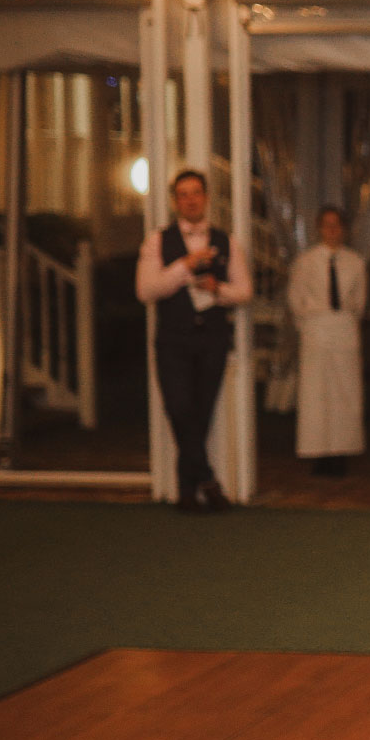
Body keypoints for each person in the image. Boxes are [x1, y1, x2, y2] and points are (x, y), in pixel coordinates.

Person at [135, 168, 252, 512]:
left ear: (206, 197)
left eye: (196, 192)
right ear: (175, 201)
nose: (190, 199)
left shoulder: (226, 240)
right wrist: (183, 267)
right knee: (180, 409)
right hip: (172, 341)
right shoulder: (158, 240)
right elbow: (145, 290)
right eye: (183, 194)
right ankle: (208, 481)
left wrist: (220, 291)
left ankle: (188, 492)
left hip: (212, 340)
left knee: (200, 413)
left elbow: (244, 291)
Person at [288, 207, 367, 476]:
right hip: (315, 328)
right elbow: (296, 299)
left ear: (343, 228)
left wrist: (344, 320)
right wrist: (311, 322)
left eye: (336, 225)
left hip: (343, 327)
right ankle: (317, 452)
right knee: (316, 393)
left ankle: (341, 451)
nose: (332, 230)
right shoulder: (306, 262)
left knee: (344, 393)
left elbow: (359, 302)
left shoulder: (355, 262)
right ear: (319, 228)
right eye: (326, 225)